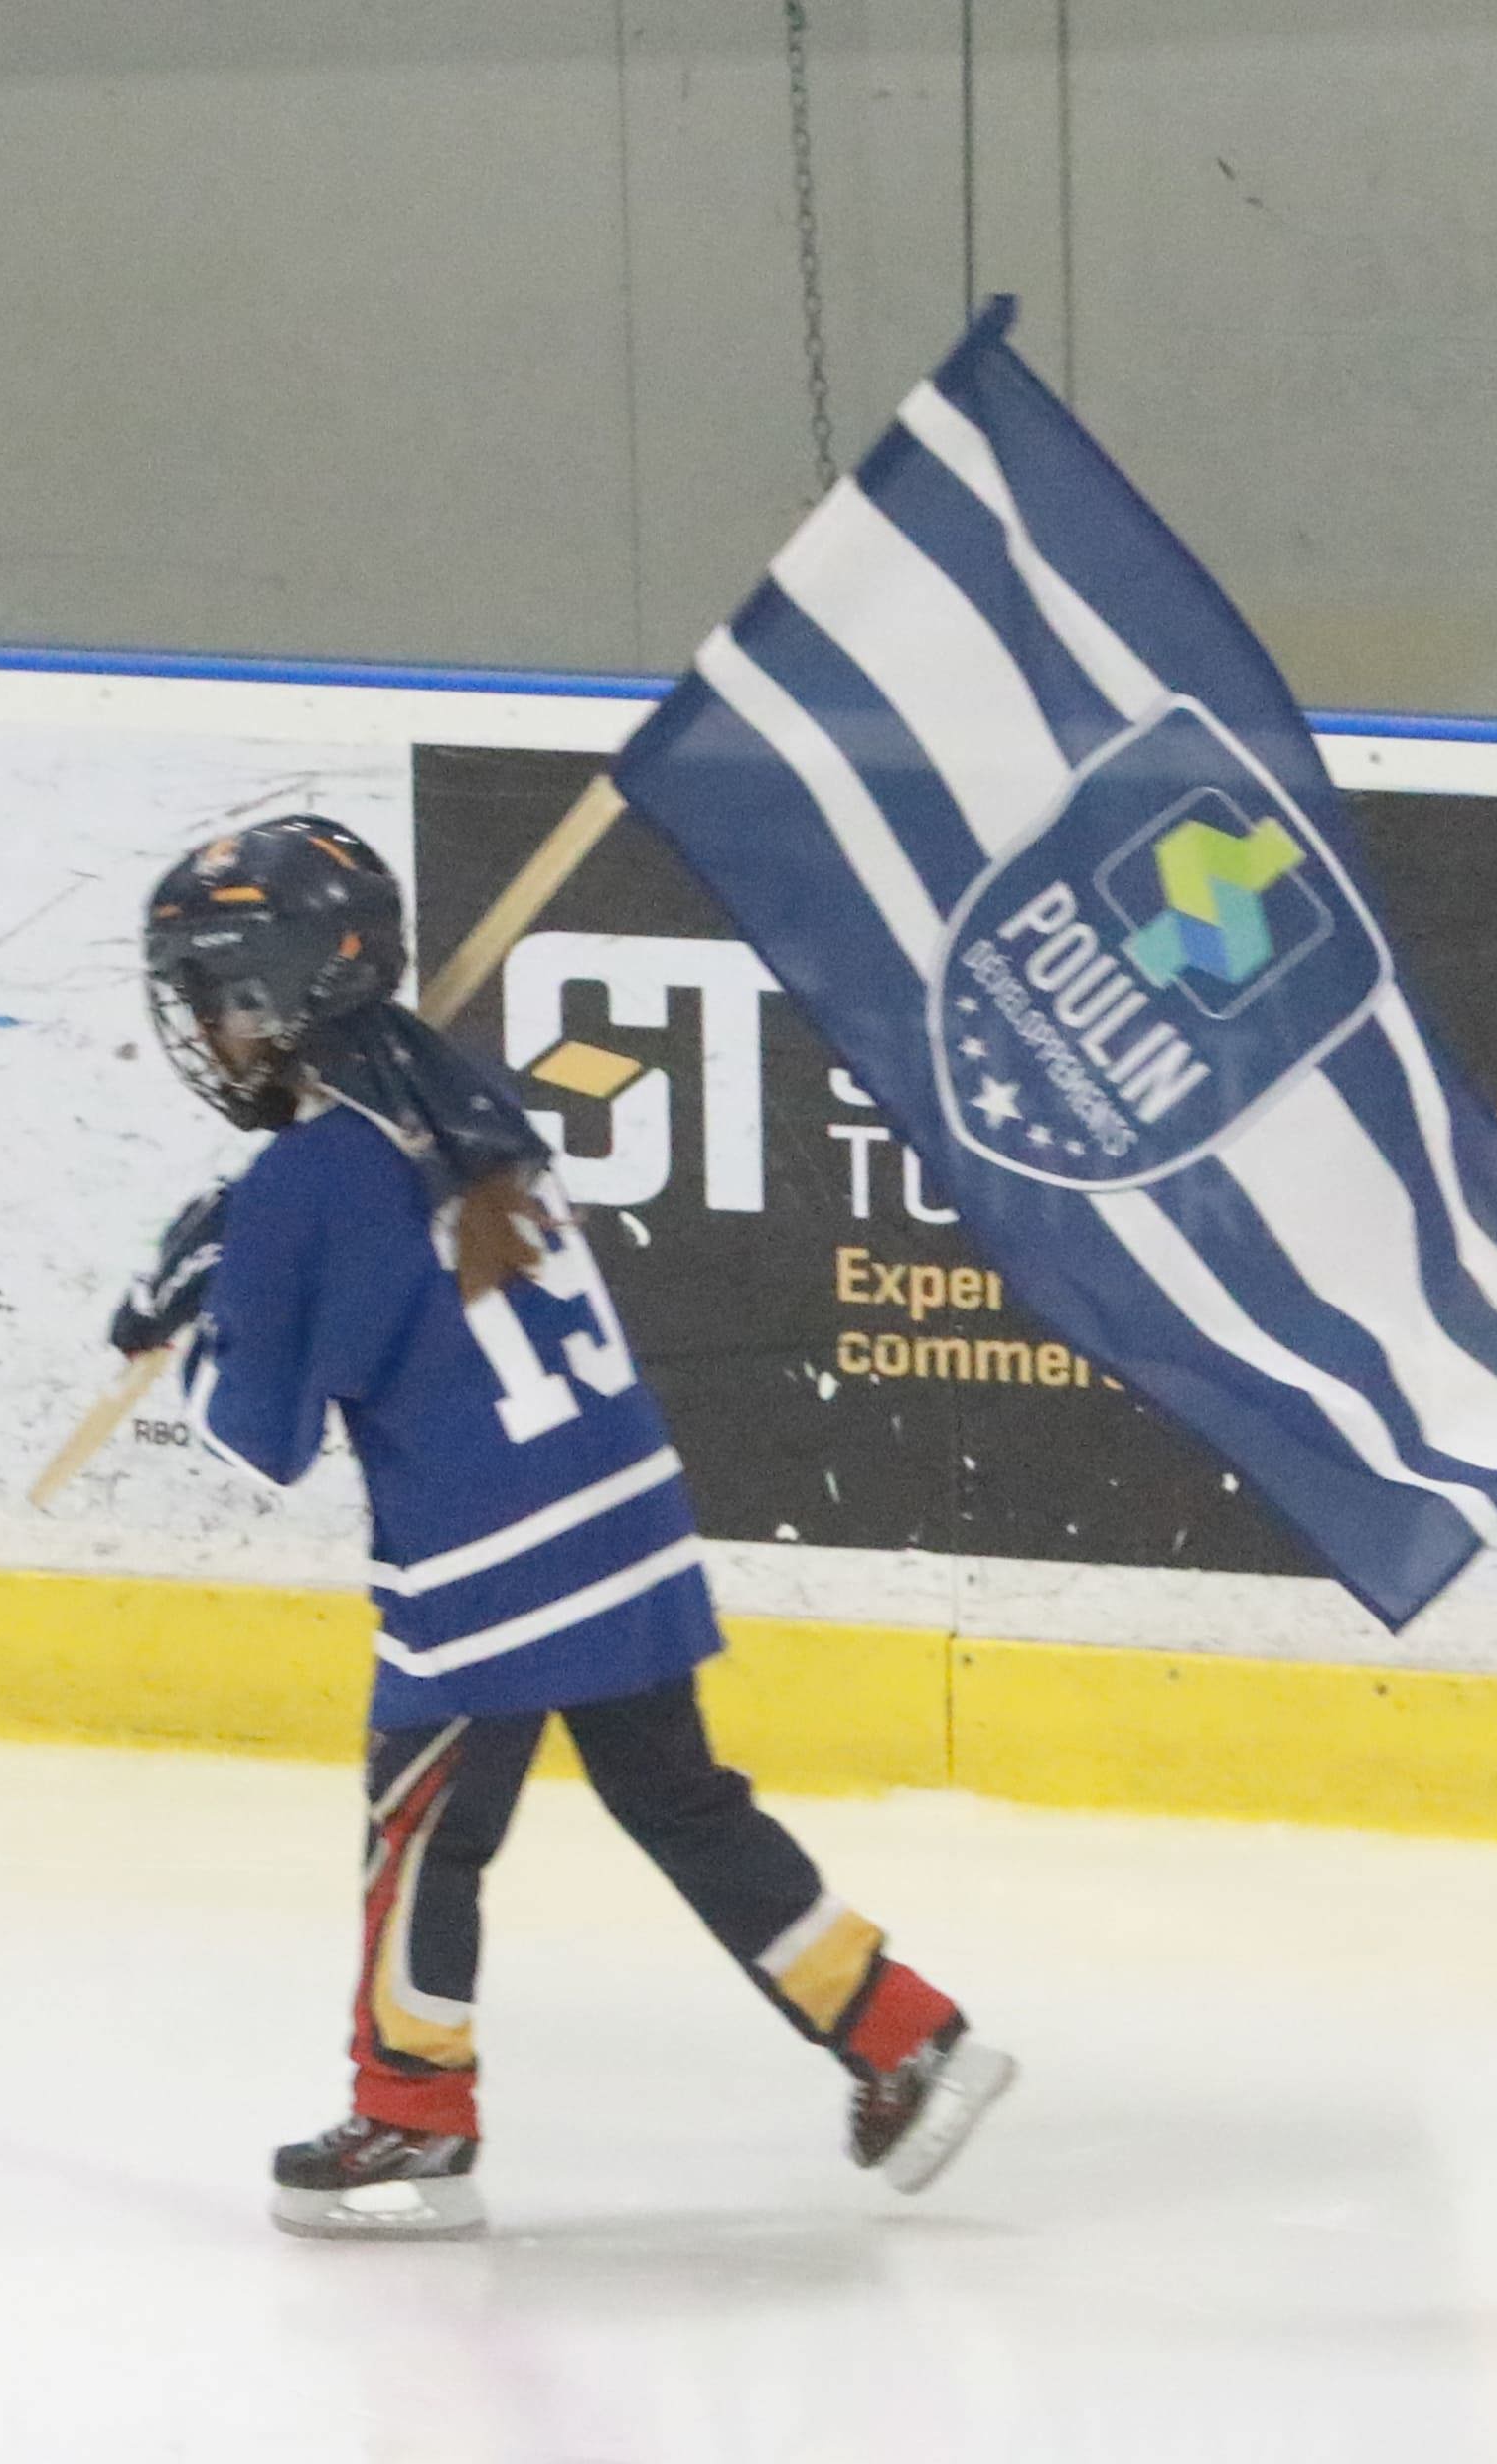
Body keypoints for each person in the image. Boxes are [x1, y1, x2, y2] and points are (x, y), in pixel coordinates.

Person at [116, 813, 1013, 2233]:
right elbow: (409, 1272)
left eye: (218, 994)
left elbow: (257, 1436)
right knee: (682, 1801)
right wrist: (248, 1257)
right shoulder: (451, 1087)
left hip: (492, 1570)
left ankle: (410, 2120)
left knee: (423, 1838)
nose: (208, 1031)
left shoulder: (302, 1184)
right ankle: (903, 2034)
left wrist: (183, 1312)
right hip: (627, 1518)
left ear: (283, 990)